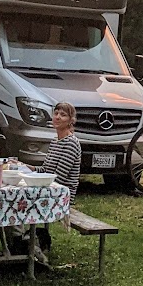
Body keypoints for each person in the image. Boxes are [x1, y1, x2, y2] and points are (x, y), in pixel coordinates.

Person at [36, 100, 80, 256]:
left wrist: (35, 182)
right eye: (56, 113)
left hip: (62, 194)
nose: (58, 117)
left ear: (70, 120)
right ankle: (19, 242)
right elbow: (45, 170)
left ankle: (28, 245)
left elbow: (59, 178)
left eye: (63, 115)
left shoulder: (71, 143)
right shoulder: (55, 142)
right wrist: (25, 167)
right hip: (51, 187)